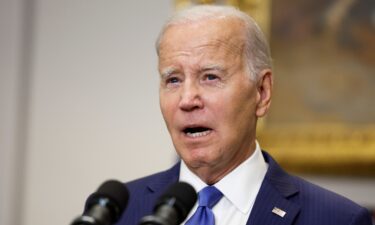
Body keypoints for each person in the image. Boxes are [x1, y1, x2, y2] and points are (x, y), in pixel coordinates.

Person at [117, 5, 372, 225]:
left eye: (210, 77)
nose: (187, 100)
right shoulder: (119, 211)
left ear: (261, 92)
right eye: (173, 80)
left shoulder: (337, 219)